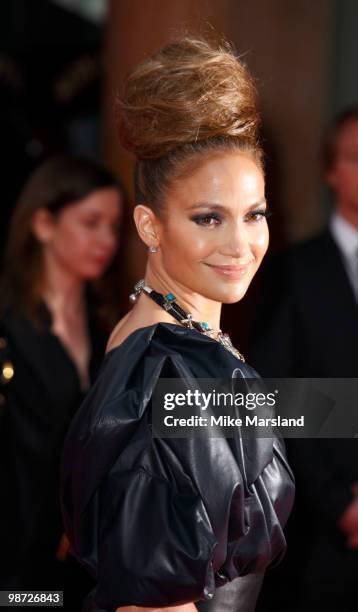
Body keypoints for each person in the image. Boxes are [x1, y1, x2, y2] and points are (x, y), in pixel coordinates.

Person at [60, 37, 295, 612]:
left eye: (254, 214)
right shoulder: (167, 371)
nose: (240, 245)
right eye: (208, 218)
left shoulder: (162, 337)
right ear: (148, 225)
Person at [251, 99, 358, 611]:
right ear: (330, 170)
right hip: (316, 542)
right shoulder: (289, 271)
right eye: (355, 156)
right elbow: (271, 400)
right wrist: (340, 501)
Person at [0, 155, 124, 609]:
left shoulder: (112, 325)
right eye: (91, 223)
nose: (107, 240)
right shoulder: (8, 328)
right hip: (17, 562)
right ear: (44, 224)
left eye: (114, 225)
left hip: (94, 562)